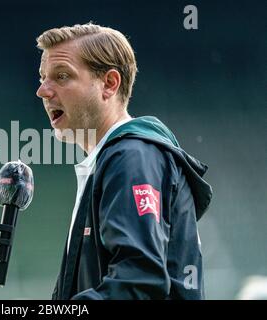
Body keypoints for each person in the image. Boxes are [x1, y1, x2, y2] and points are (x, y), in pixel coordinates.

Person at [35, 23, 213, 300]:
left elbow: (140, 281)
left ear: (109, 84)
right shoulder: (122, 156)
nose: (43, 91)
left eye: (61, 76)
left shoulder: (132, 157)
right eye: (42, 78)